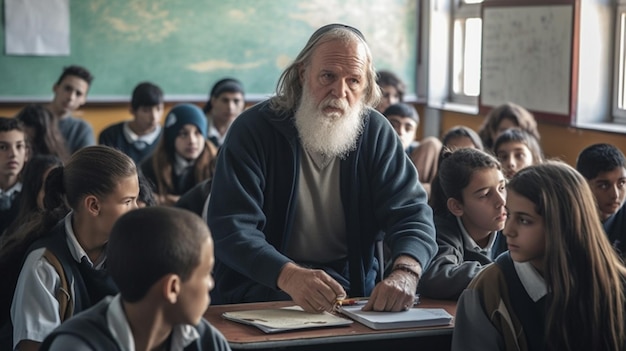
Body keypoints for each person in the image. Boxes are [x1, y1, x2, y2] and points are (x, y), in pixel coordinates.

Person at [206, 23, 437, 313]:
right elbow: (231, 225)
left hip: (349, 290)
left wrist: (406, 272)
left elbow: (412, 214)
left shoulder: (376, 133)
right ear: (303, 74)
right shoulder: (254, 129)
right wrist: (288, 275)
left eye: (353, 81)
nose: (339, 92)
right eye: (328, 76)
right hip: (262, 286)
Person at [452, 161, 626, 351]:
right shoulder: (488, 290)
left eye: (524, 220)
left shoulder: (618, 285)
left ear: (562, 225)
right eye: (508, 215)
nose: (507, 231)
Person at [39, 206, 231, 351]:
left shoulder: (207, 341)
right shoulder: (77, 346)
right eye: (206, 273)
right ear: (172, 288)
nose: (211, 284)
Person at [6, 146, 139, 351]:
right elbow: (33, 348)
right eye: (128, 201)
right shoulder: (44, 265)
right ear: (93, 206)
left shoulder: (134, 250)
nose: (137, 210)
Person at [420, 148, 507, 300]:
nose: (501, 201)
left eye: (502, 188)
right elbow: (437, 277)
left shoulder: (515, 222)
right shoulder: (441, 230)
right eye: (485, 194)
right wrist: (509, 272)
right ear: (457, 206)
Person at [140, 103, 217, 206]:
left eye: (198, 133)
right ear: (171, 138)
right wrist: (160, 200)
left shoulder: (216, 164)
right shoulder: (151, 166)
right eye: (183, 134)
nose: (192, 141)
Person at [576, 143, 626, 256]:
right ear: (582, 184)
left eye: (621, 183)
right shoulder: (570, 217)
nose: (615, 195)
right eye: (603, 185)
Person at [382, 103, 443, 196]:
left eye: (408, 128)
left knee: (432, 143)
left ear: (414, 135)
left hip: (411, 196)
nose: (401, 132)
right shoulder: (372, 151)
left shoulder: (418, 153)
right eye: (393, 125)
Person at [99, 82, 165, 164]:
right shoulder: (110, 135)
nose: (154, 117)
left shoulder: (167, 136)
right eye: (146, 110)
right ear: (133, 110)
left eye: (159, 109)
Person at [2, 155, 63, 239]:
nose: (57, 193)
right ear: (33, 191)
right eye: (49, 186)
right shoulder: (17, 235)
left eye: (60, 185)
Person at [46, 65, 96, 154]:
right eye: (67, 89)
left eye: (78, 94)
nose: (71, 97)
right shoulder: (29, 118)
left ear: (84, 100)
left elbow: (87, 164)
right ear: (55, 88)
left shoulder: (82, 129)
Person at [0, 117, 28, 236]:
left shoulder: (34, 192)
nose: (13, 154)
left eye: (19, 146)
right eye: (3, 147)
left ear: (26, 153)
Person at [202, 78, 245, 148]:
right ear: (213, 101)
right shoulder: (199, 127)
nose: (230, 107)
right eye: (225, 100)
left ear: (243, 103)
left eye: (236, 101)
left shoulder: (247, 130)